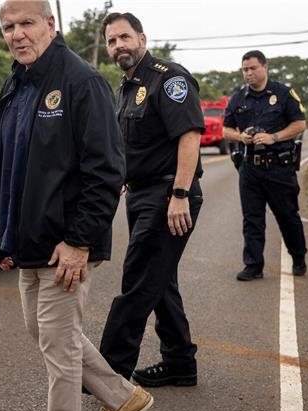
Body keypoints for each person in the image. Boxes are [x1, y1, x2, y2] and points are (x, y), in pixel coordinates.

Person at [0, 2, 153, 411]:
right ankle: (121, 396)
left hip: (67, 243)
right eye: (8, 27)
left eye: (26, 24)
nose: (17, 34)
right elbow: (8, 164)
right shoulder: (15, 84)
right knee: (43, 333)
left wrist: (79, 241)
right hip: (26, 239)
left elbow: (106, 171)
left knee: (59, 352)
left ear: (50, 24)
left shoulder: (82, 82)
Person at [99, 12, 204, 388]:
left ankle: (108, 373)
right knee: (160, 280)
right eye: (112, 41)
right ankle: (179, 362)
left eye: (124, 37)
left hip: (168, 194)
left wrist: (179, 194)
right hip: (142, 193)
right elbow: (128, 144)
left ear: (142, 38)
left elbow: (189, 135)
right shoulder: (124, 88)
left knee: (138, 280)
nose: (118, 47)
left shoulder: (168, 78)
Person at [222, 50, 307, 282]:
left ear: (265, 67)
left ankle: (298, 257)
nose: (248, 73)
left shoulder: (283, 93)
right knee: (252, 219)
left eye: (252, 68)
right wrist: (241, 138)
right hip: (250, 169)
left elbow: (300, 124)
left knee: (287, 216)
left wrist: (274, 137)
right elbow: (225, 129)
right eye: (244, 69)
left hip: (279, 167)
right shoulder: (238, 98)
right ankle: (253, 265)